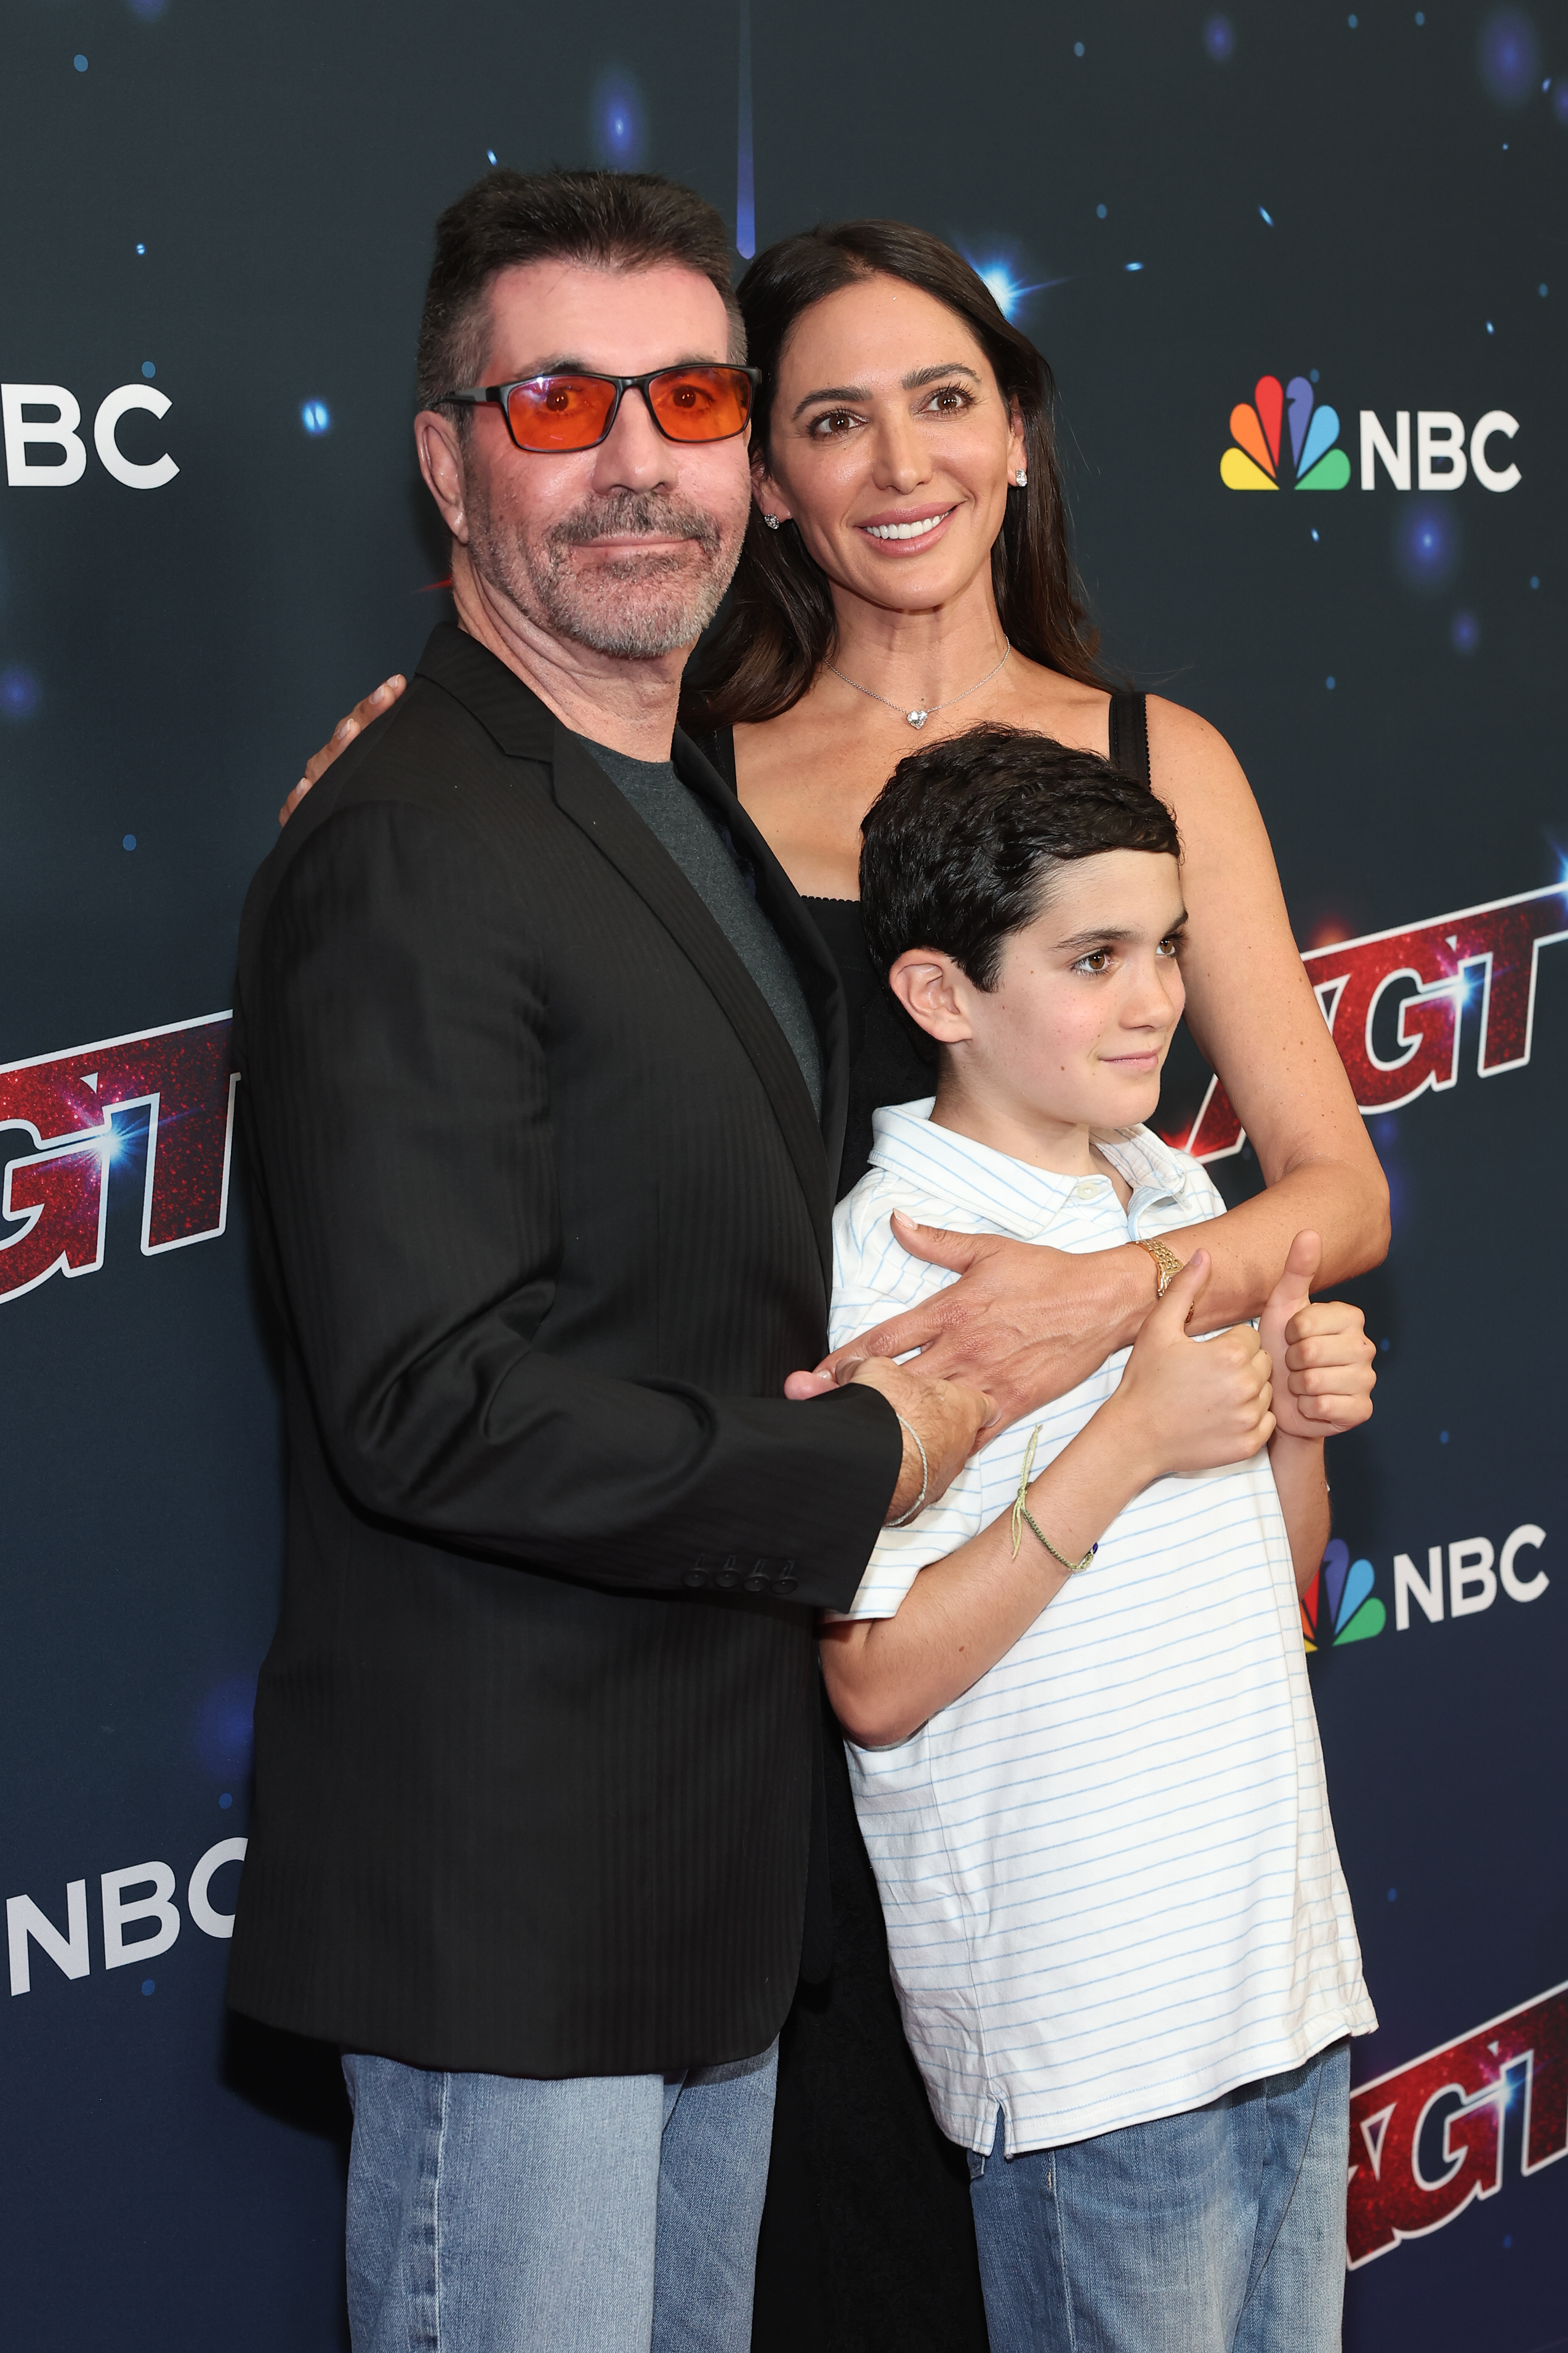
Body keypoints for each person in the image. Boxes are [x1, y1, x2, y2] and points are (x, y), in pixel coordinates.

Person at [292, 213, 1389, 2351]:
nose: (898, 462)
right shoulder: (648, 759)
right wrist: (385, 775)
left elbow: (1329, 1184)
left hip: (1048, 1660)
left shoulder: (1153, 765)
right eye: (820, 416)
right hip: (746, 1654)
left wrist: (1116, 1310)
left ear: (1018, 436)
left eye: (946, 399)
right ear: (772, 483)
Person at [231, 166, 992, 2353]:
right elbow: (428, 1401)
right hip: (513, 1903)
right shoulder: (412, 846)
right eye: (557, 403)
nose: (638, 462)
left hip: (699, 1868)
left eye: (687, 397)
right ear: (445, 459)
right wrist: (882, 1453)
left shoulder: (670, 798)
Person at [821, 723, 1377, 2353]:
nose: (1152, 1001)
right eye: (1093, 958)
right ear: (939, 995)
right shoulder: (891, 1268)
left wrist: (1290, 1420)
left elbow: (1270, 1579)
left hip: (1271, 1986)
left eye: (1165, 951)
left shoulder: (1170, 1191)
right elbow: (869, 1680)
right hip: (1093, 2044)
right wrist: (1124, 1445)